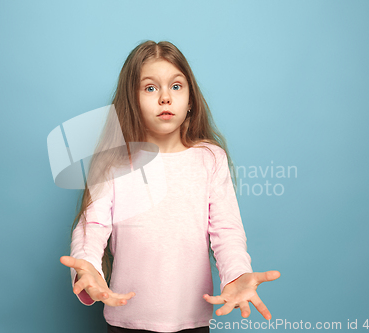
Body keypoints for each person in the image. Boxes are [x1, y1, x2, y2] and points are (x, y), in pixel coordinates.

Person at [60, 40, 280, 333]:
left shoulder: (210, 158)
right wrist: (87, 266)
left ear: (190, 100)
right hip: (126, 321)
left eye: (176, 86)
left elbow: (226, 231)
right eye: (150, 88)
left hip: (192, 322)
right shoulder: (113, 161)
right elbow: (93, 226)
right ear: (132, 100)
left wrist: (237, 274)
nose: (165, 97)